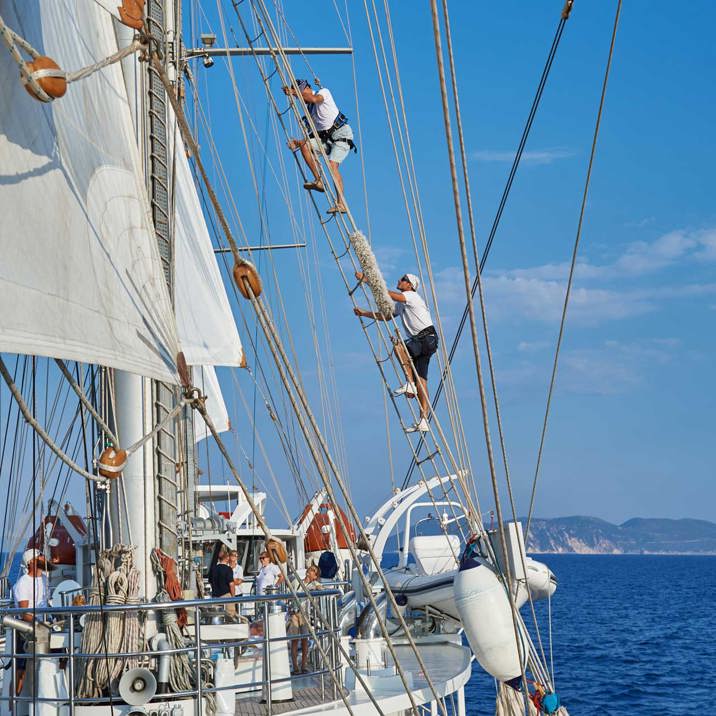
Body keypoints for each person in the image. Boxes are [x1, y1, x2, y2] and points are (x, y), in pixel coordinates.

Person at [353, 272, 438, 433]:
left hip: (425, 339)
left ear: (410, 285)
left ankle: (410, 384)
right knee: (422, 381)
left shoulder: (412, 296)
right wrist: (364, 313)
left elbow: (386, 294)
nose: (399, 280)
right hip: (427, 341)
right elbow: (385, 317)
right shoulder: (402, 304)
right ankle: (424, 420)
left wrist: (366, 280)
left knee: (399, 346)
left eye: (403, 279)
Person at [283, 79, 355, 215]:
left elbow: (315, 99)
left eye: (300, 92)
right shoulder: (310, 111)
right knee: (305, 145)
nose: (299, 97)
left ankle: (341, 204)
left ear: (308, 88)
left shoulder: (323, 92)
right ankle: (319, 181)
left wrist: (293, 92)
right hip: (326, 139)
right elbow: (312, 136)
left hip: (342, 135)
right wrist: (297, 143)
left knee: (332, 165)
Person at [12, 548, 49, 696]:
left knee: (62, 655)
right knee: (21, 670)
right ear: (31, 562)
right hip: (27, 628)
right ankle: (12, 705)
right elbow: (24, 613)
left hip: (44, 626)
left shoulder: (45, 579)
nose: (43, 557)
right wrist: (41, 624)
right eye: (40, 556)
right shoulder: (23, 583)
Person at [288, 565, 322, 674]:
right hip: (295, 613)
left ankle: (304, 665)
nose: (309, 571)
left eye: (313, 571)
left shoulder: (314, 584)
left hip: (305, 614)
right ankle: (295, 667)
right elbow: (289, 594)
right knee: (294, 640)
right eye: (310, 569)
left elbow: (320, 588)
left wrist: (317, 587)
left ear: (315, 576)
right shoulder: (296, 582)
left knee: (304, 641)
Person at [209, 548, 236, 619]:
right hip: (226, 596)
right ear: (227, 558)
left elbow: (211, 583)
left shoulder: (213, 569)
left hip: (215, 597)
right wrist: (233, 597)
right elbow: (231, 584)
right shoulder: (228, 569)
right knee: (231, 618)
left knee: (217, 618)